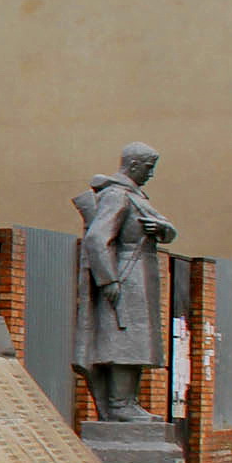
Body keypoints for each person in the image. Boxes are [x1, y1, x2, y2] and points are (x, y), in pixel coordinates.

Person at [71, 142, 179, 423]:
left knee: (137, 340)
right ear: (133, 166)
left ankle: (129, 402)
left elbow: (167, 227)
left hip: (140, 274)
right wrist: (108, 280)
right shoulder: (116, 195)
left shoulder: (136, 196)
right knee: (124, 339)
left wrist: (163, 229)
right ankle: (119, 405)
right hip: (125, 273)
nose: (151, 174)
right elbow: (97, 238)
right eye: (148, 168)